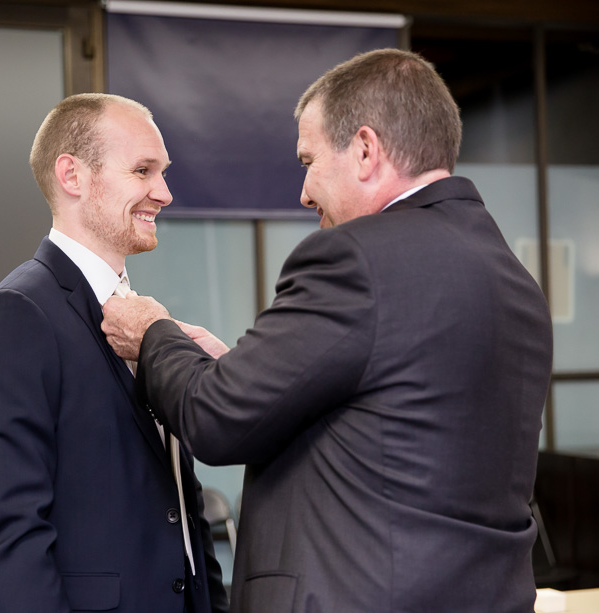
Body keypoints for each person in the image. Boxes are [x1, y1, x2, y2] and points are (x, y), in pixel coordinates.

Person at [101, 49, 553, 613]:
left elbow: (216, 420)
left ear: (365, 150)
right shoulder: (513, 278)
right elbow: (385, 420)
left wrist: (152, 333)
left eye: (308, 161)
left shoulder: (358, 258)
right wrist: (235, 370)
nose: (304, 192)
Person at [0, 93, 228, 613]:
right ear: (72, 176)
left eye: (163, 173)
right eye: (143, 170)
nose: (165, 193)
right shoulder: (14, 316)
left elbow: (182, 506)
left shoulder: (148, 317)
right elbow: (13, 541)